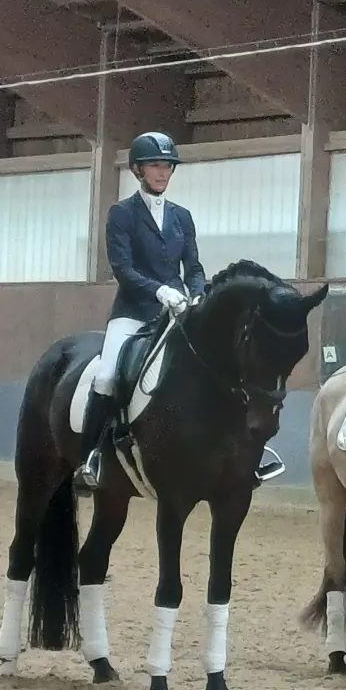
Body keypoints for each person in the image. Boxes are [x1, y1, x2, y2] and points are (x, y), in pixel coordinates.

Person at [75, 130, 208, 492]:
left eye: (167, 166)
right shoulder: (122, 214)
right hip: (134, 311)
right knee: (106, 376)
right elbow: (123, 269)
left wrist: (196, 294)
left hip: (177, 312)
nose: (163, 173)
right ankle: (91, 457)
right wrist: (159, 289)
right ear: (138, 170)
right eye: (155, 166)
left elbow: (193, 266)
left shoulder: (182, 217)